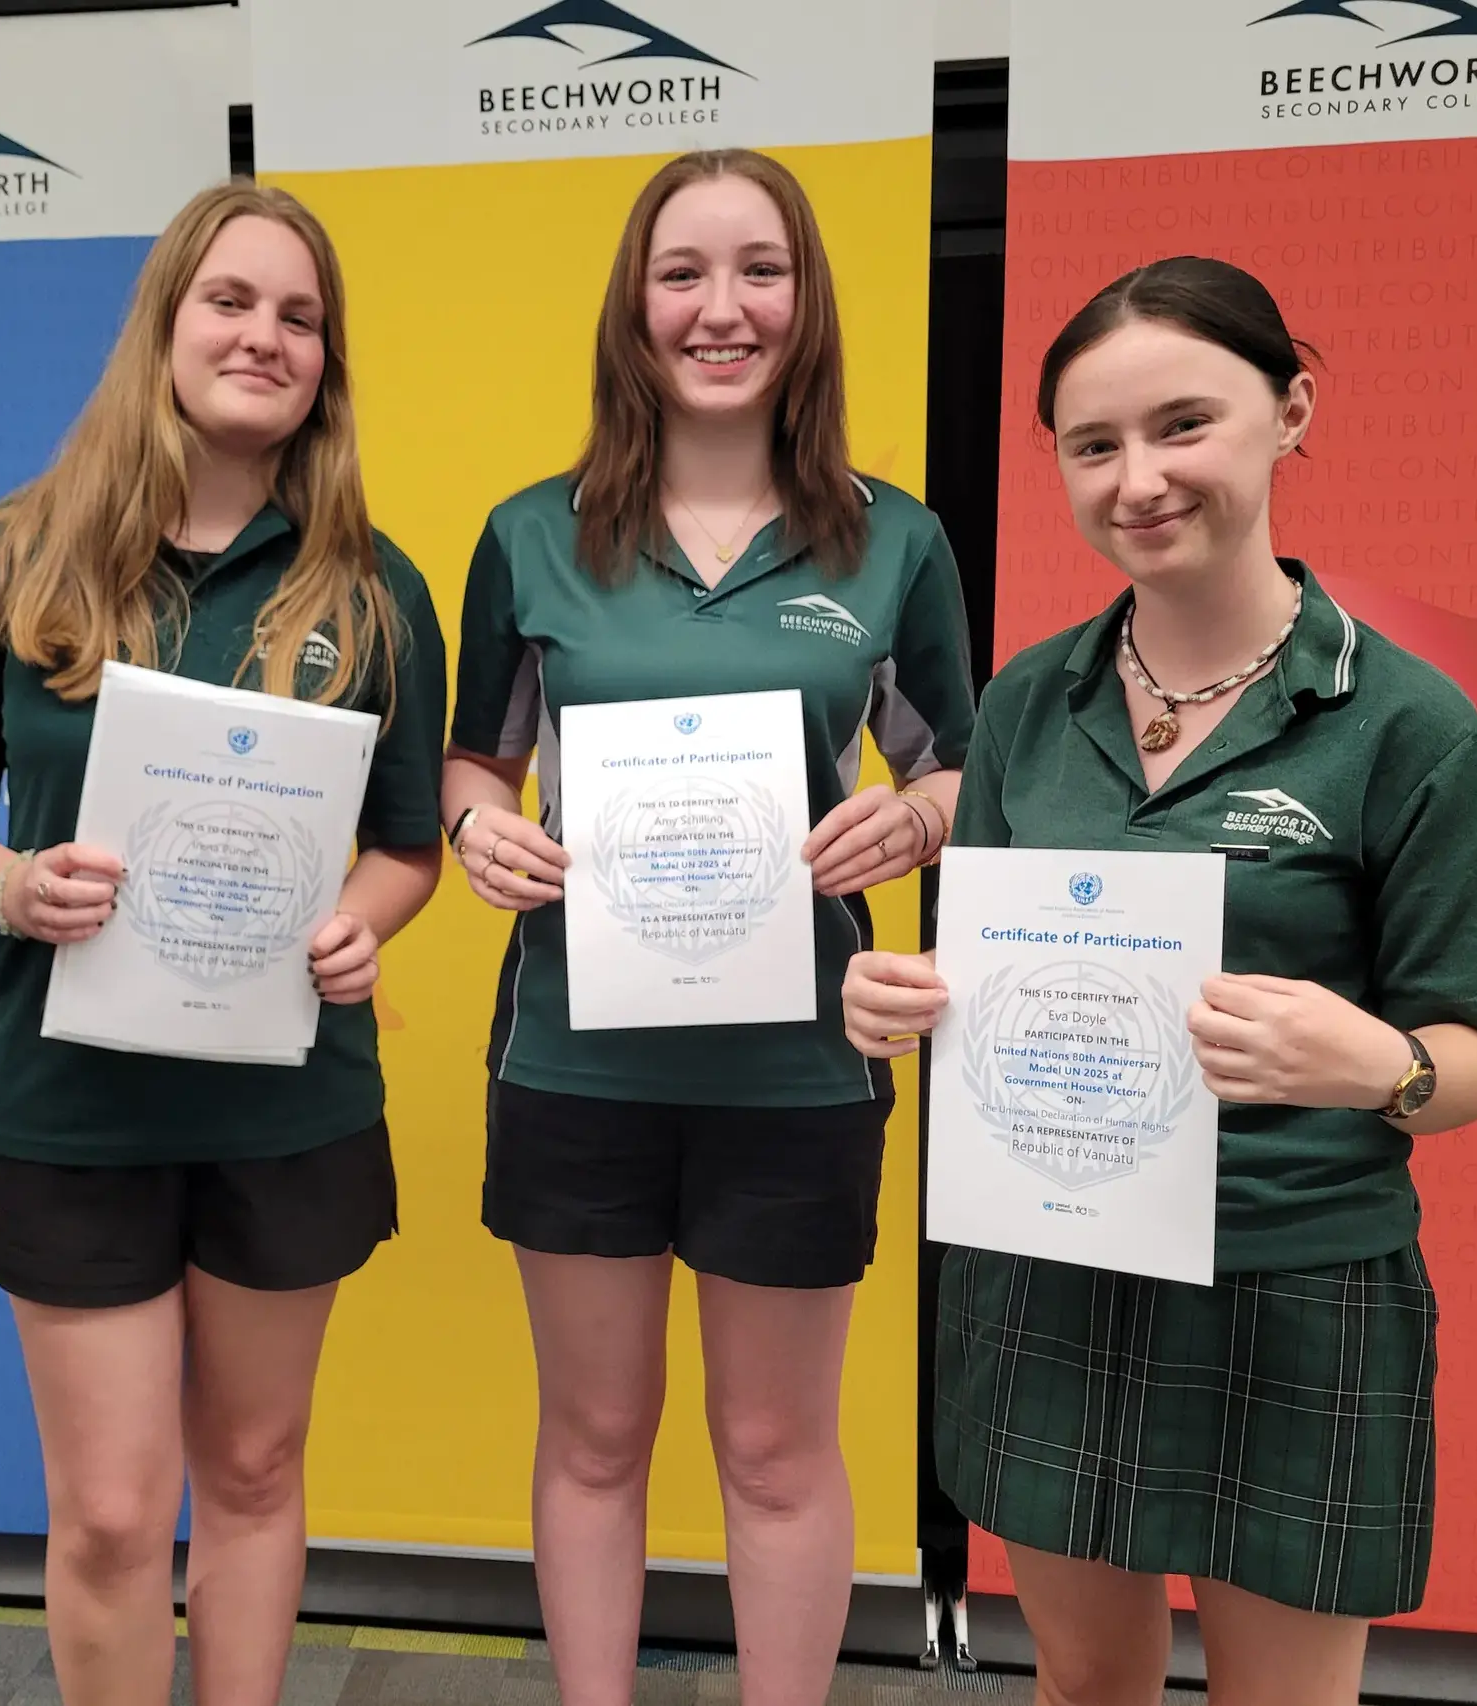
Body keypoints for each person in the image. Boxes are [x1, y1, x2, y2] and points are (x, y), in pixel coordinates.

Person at [843, 256, 1477, 1706]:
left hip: (1291, 1279)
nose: (1138, 478)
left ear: (1292, 410)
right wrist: (909, 1003)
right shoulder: (1030, 700)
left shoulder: (1409, 726)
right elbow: (999, 979)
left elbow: (1469, 1056)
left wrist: (1377, 1063)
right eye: (1093, 445)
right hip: (1049, 1263)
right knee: (1084, 1684)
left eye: (1182, 424)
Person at [0, 181, 446, 1706]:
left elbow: (405, 846)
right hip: (77, 1115)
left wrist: (360, 920)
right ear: (165, 325)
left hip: (289, 1105)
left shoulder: (377, 590)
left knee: (255, 1468)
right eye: (232, 300)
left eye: (301, 317)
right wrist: (10, 886)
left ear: (328, 361)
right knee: (118, 1512)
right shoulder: (9, 561)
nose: (265, 335)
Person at [440, 148, 975, 1706]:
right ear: (635, 305)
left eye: (761, 270)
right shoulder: (533, 534)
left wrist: (914, 818)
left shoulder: (896, 540)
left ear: (806, 305)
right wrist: (481, 824)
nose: (721, 307)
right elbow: (477, 754)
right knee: (596, 1439)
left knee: (775, 1449)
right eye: (684, 272)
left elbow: (960, 764)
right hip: (576, 1061)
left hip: (801, 1071)